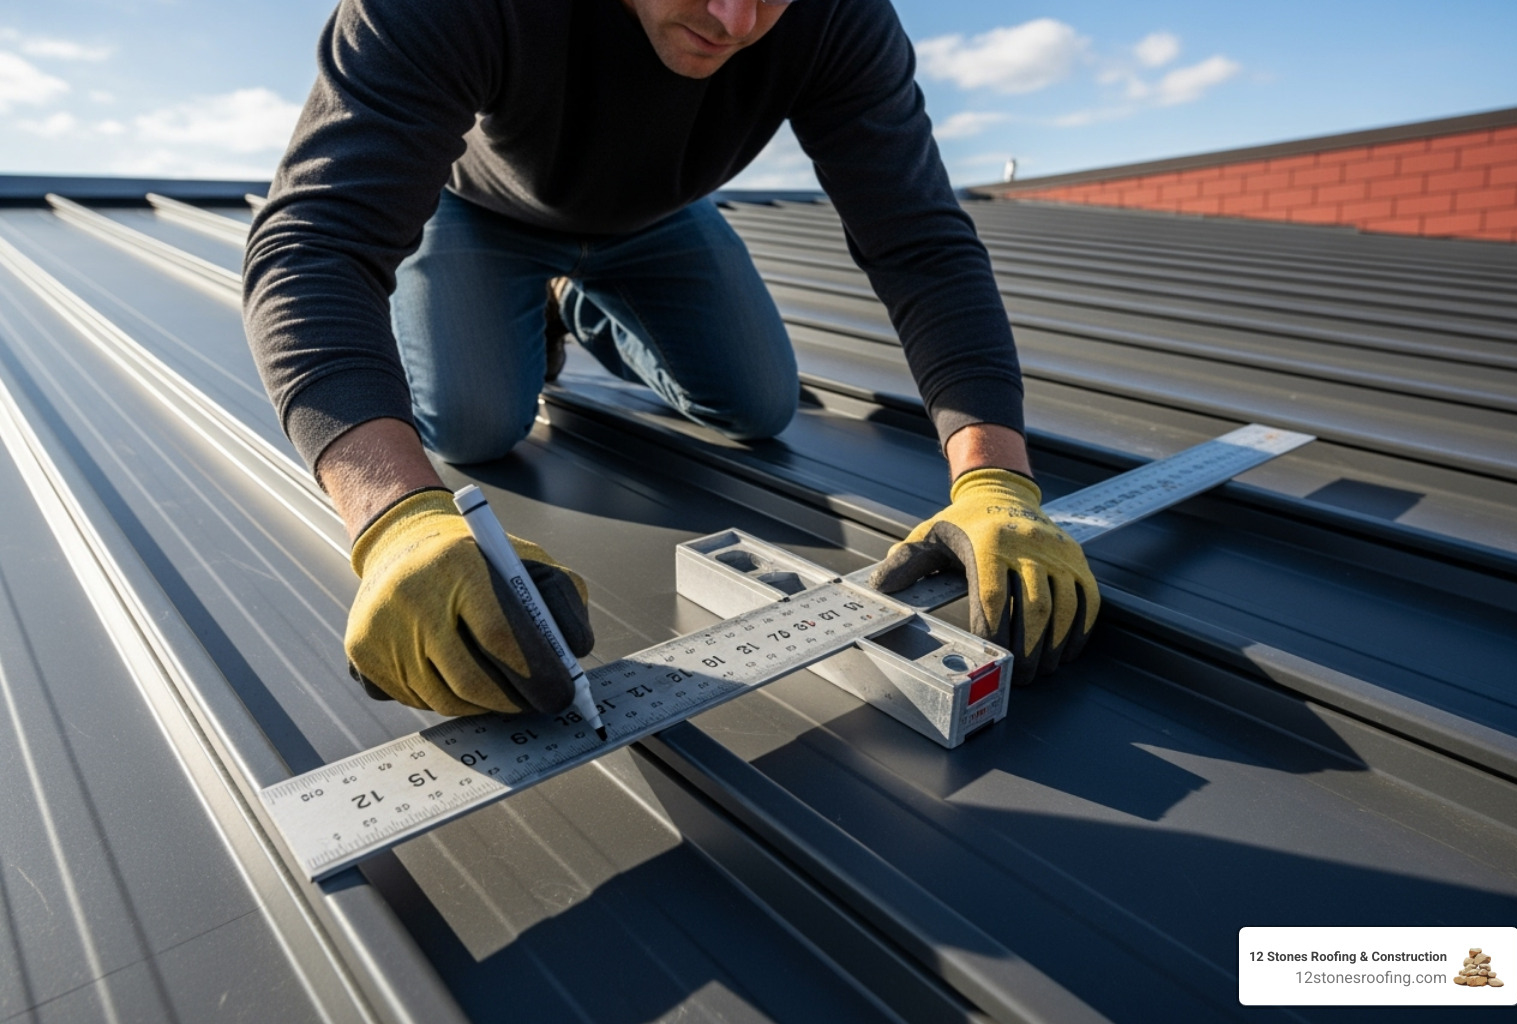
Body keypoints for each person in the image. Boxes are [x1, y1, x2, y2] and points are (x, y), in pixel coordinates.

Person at [243, 0, 1100, 720]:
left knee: (759, 405)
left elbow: (921, 243)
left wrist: (997, 481)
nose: (734, 20)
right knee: (474, 426)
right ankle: (520, 294)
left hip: (658, 222)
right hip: (482, 213)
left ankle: (572, 302)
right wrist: (393, 517)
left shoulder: (839, 15)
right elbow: (313, 244)